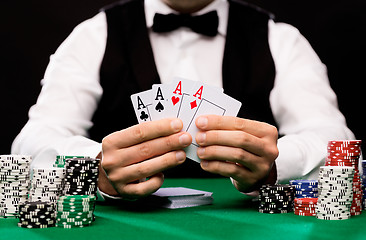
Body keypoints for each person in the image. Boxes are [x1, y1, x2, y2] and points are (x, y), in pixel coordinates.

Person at [12, 0, 354, 200]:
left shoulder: (279, 39)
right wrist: (94, 165)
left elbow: (339, 143)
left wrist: (277, 163)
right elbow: (30, 142)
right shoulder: (94, 35)